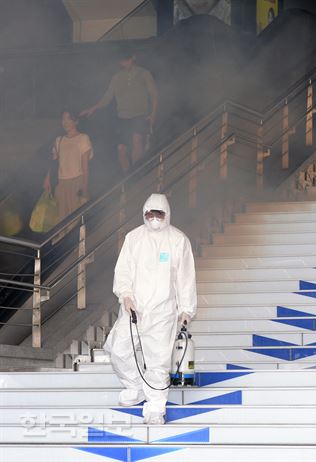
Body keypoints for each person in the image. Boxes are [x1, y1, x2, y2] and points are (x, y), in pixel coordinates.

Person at [104, 193, 197, 424]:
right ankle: (134, 386)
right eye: (150, 213)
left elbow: (186, 277)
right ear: (144, 213)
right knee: (117, 349)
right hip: (133, 309)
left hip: (163, 312)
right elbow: (123, 270)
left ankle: (155, 407)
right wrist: (125, 295)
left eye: (159, 214)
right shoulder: (133, 238)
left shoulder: (178, 240)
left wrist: (186, 310)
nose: (154, 218)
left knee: (158, 361)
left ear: (167, 214)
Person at [80, 49, 158, 172]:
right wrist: (93, 108)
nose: (124, 64)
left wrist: (153, 114)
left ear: (133, 58)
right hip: (122, 117)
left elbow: (154, 94)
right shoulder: (116, 77)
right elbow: (107, 97)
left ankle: (136, 172)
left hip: (139, 115)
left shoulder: (144, 73)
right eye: (121, 61)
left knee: (136, 139)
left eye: (126, 60)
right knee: (121, 149)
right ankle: (128, 177)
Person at [43, 110, 92, 221]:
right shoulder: (59, 140)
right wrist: (47, 178)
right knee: (61, 217)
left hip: (77, 181)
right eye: (63, 119)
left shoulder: (83, 138)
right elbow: (54, 161)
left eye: (68, 119)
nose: (65, 122)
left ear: (76, 121)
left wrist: (84, 185)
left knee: (75, 217)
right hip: (61, 183)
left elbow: (85, 165)